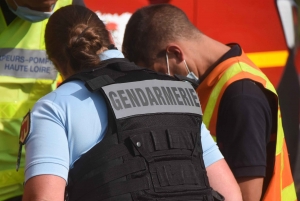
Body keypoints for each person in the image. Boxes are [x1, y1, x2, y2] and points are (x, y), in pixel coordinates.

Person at [22, 5, 242, 201]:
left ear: (55, 61)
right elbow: (230, 195)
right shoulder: (179, 92)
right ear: (109, 38)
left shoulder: (56, 107)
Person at [122, 4, 297, 201]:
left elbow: (246, 196)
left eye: (160, 73)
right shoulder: (213, 81)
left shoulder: (241, 97)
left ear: (175, 53)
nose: (162, 85)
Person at [0, 0, 84, 200]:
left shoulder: (70, 6)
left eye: (51, 4)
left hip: (36, 183)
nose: (48, 11)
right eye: (37, 4)